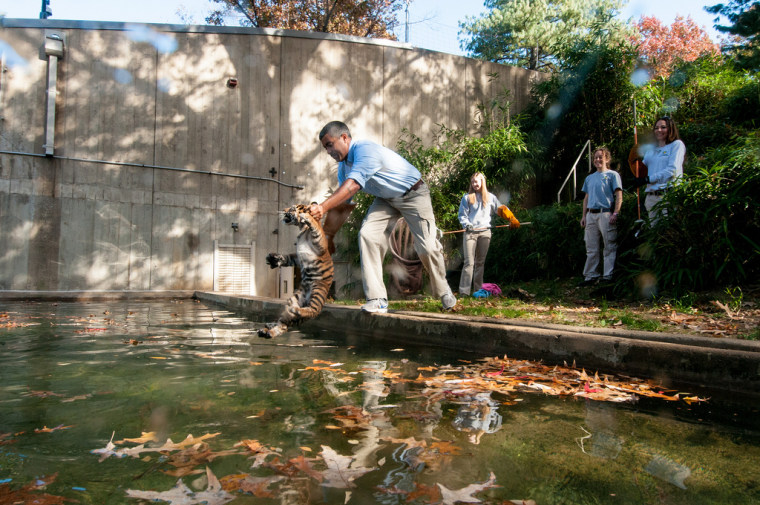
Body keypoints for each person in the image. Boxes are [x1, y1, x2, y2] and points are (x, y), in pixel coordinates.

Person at [309, 121, 456, 313]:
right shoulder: (343, 167)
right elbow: (344, 203)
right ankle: (377, 299)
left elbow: (352, 186)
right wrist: (325, 232)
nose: (328, 151)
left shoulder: (365, 150)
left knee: (426, 247)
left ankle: (444, 292)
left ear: (344, 138)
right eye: (325, 148)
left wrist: (321, 207)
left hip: (413, 194)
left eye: (329, 144)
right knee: (367, 235)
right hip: (386, 199)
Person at [579, 147, 622, 286]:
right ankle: (591, 276)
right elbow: (586, 198)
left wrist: (615, 212)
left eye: (600, 157)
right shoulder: (589, 178)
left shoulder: (612, 175)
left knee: (609, 246)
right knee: (591, 247)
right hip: (591, 215)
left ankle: (607, 275)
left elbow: (618, 195)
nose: (598, 159)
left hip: (606, 214)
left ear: (607, 159)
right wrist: (584, 216)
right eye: (595, 157)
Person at [632, 116, 686, 224]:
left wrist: (648, 179)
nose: (659, 130)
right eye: (656, 128)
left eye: (663, 127)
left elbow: (672, 170)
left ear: (670, 128)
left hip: (668, 195)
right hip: (651, 198)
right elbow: (642, 169)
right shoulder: (651, 150)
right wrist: (634, 160)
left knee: (670, 231)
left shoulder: (676, 145)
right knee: (655, 234)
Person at [457, 172, 502, 296]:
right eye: (473, 182)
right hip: (470, 233)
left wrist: (510, 217)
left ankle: (478, 291)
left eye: (477, 181)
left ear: (482, 182)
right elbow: (462, 215)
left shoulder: (490, 197)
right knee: (469, 263)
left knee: (480, 262)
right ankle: (464, 292)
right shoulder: (467, 198)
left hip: (485, 232)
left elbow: (500, 209)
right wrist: (467, 225)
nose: (474, 184)